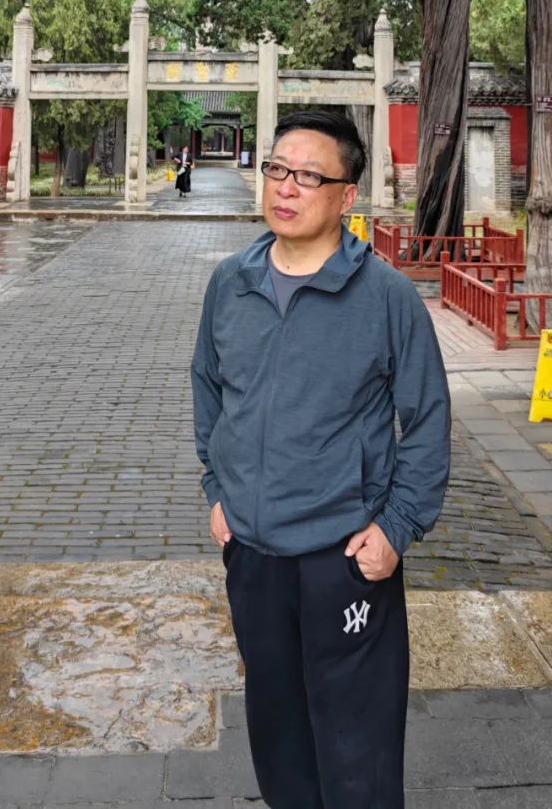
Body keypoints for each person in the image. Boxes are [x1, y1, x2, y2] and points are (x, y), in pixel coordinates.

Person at [191, 109, 451, 809]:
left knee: (357, 747)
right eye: (277, 168)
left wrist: (397, 528)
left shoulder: (387, 297)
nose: (286, 186)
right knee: (278, 731)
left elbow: (427, 419)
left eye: (309, 176)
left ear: (347, 195)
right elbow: (209, 387)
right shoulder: (230, 283)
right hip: (252, 554)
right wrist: (218, 488)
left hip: (345, 556)